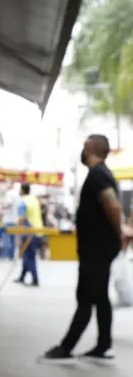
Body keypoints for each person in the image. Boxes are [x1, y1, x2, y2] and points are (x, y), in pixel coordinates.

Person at [42, 134, 132, 364]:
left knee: (85, 296)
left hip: (96, 250)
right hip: (99, 248)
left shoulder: (98, 175)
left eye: (84, 146)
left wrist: (120, 229)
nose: (82, 151)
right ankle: (103, 345)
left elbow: (113, 206)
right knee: (100, 297)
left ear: (92, 148)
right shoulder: (102, 174)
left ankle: (66, 347)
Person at [14, 183, 43, 286]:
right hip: (38, 230)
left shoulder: (23, 202)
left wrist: (19, 235)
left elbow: (21, 219)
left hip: (29, 232)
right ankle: (22, 276)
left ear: (22, 191)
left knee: (29, 256)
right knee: (28, 255)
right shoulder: (34, 200)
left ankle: (35, 279)